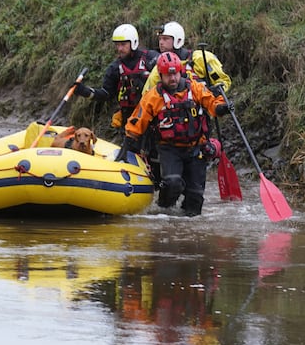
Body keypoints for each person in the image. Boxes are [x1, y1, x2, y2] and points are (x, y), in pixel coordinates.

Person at [121, 52, 232, 216]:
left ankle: (188, 231)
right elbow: (137, 121)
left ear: (180, 72)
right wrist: (127, 146)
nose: (172, 78)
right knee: (173, 184)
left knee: (195, 201)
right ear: (160, 75)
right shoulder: (153, 97)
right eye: (167, 75)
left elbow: (212, 103)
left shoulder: (195, 88)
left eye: (175, 73)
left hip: (196, 149)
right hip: (169, 149)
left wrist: (222, 107)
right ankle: (163, 211)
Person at [74, 23, 159, 131]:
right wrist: (85, 91)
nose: (119, 48)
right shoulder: (114, 68)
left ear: (133, 42)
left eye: (123, 44)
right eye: (117, 45)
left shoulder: (151, 58)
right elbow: (106, 94)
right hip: (129, 120)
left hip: (152, 117)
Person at [142, 21, 232, 94]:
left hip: (201, 111)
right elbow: (147, 96)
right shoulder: (158, 69)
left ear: (178, 40)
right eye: (160, 39)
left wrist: (217, 91)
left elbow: (223, 81)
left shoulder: (200, 58)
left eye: (165, 39)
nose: (161, 42)